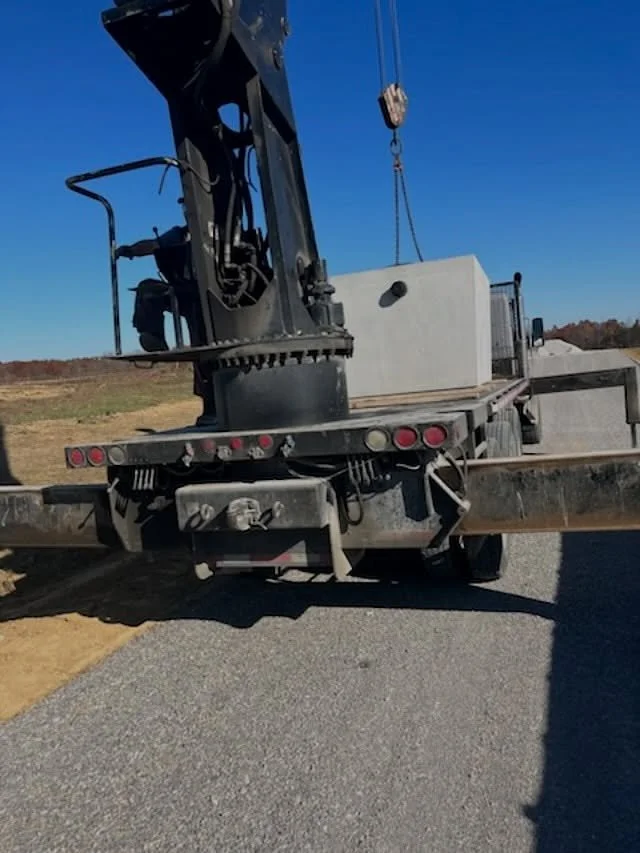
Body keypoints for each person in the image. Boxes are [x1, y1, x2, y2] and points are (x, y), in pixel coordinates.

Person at [116, 200, 199, 353]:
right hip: (184, 291)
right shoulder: (179, 234)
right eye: (185, 207)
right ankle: (154, 337)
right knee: (147, 288)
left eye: (189, 206)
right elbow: (153, 245)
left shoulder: (223, 231)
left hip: (213, 292)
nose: (187, 211)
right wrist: (131, 250)